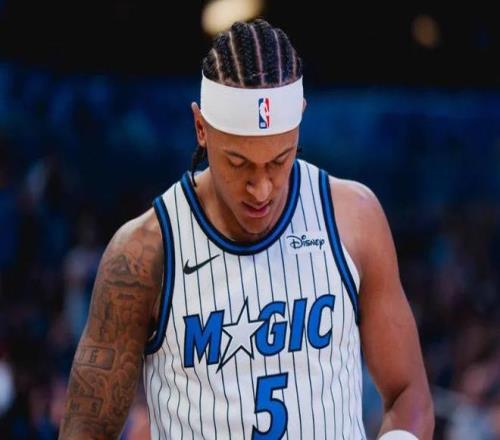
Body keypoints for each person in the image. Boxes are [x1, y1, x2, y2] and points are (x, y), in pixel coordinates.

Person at [59, 18, 434, 440]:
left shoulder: (355, 219)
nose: (262, 188)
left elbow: (409, 396)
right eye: (239, 163)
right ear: (201, 129)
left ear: (300, 121)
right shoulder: (143, 253)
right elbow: (85, 429)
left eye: (279, 160)